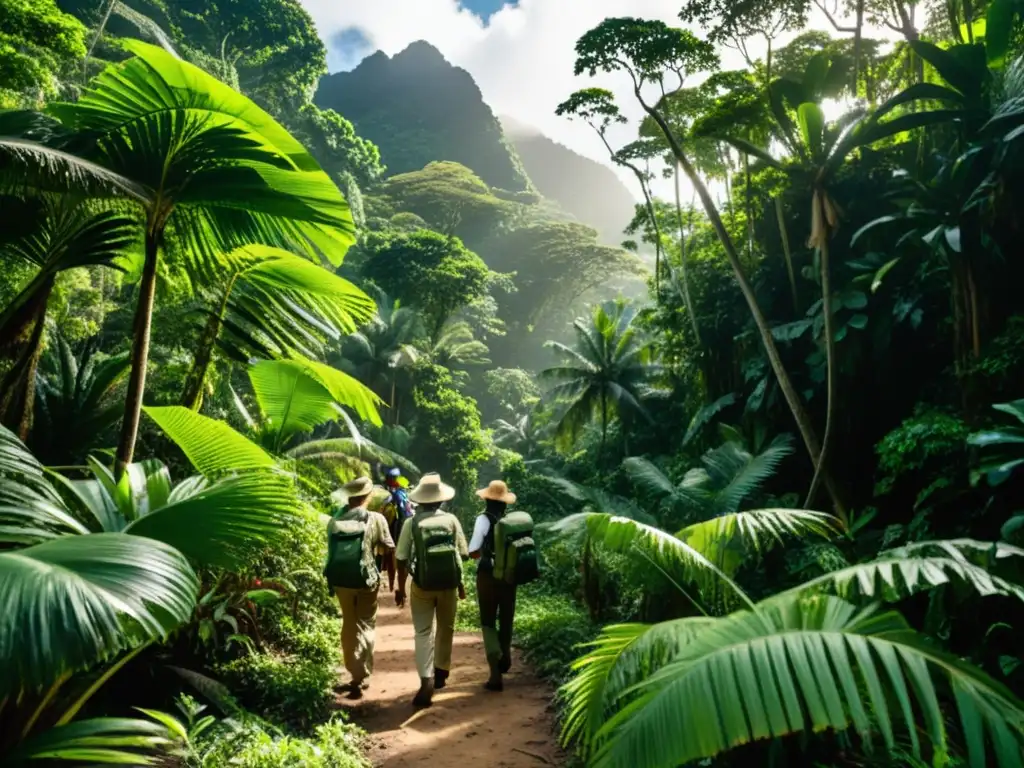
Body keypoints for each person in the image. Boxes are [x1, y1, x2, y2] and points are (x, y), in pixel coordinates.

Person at [394, 472, 468, 708]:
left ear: (420, 500)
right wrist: (461, 583)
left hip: (422, 585)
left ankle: (425, 678)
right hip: (448, 585)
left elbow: (401, 557)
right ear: (440, 499)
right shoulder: (451, 520)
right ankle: (441, 672)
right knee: (446, 627)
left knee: (423, 631)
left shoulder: (411, 523)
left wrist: (399, 587)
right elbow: (462, 554)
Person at [324, 476, 395, 699]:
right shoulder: (376, 518)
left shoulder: (334, 521)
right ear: (369, 496)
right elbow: (389, 548)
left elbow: (331, 552)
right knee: (366, 623)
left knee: (349, 622)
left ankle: (353, 670)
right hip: (366, 580)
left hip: (340, 580)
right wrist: (391, 577)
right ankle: (360, 674)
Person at [468, 480, 518, 692]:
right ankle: (506, 655)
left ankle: (495, 674)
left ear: (487, 499)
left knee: (488, 621)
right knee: (506, 618)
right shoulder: (511, 522)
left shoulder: (483, 519)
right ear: (505, 504)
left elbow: (473, 550)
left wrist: (482, 554)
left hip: (488, 576)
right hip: (509, 577)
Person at [378, 468, 412, 592]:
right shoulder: (404, 493)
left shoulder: (394, 495)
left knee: (390, 554)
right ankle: (397, 585)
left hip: (394, 528)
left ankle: (392, 584)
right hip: (402, 527)